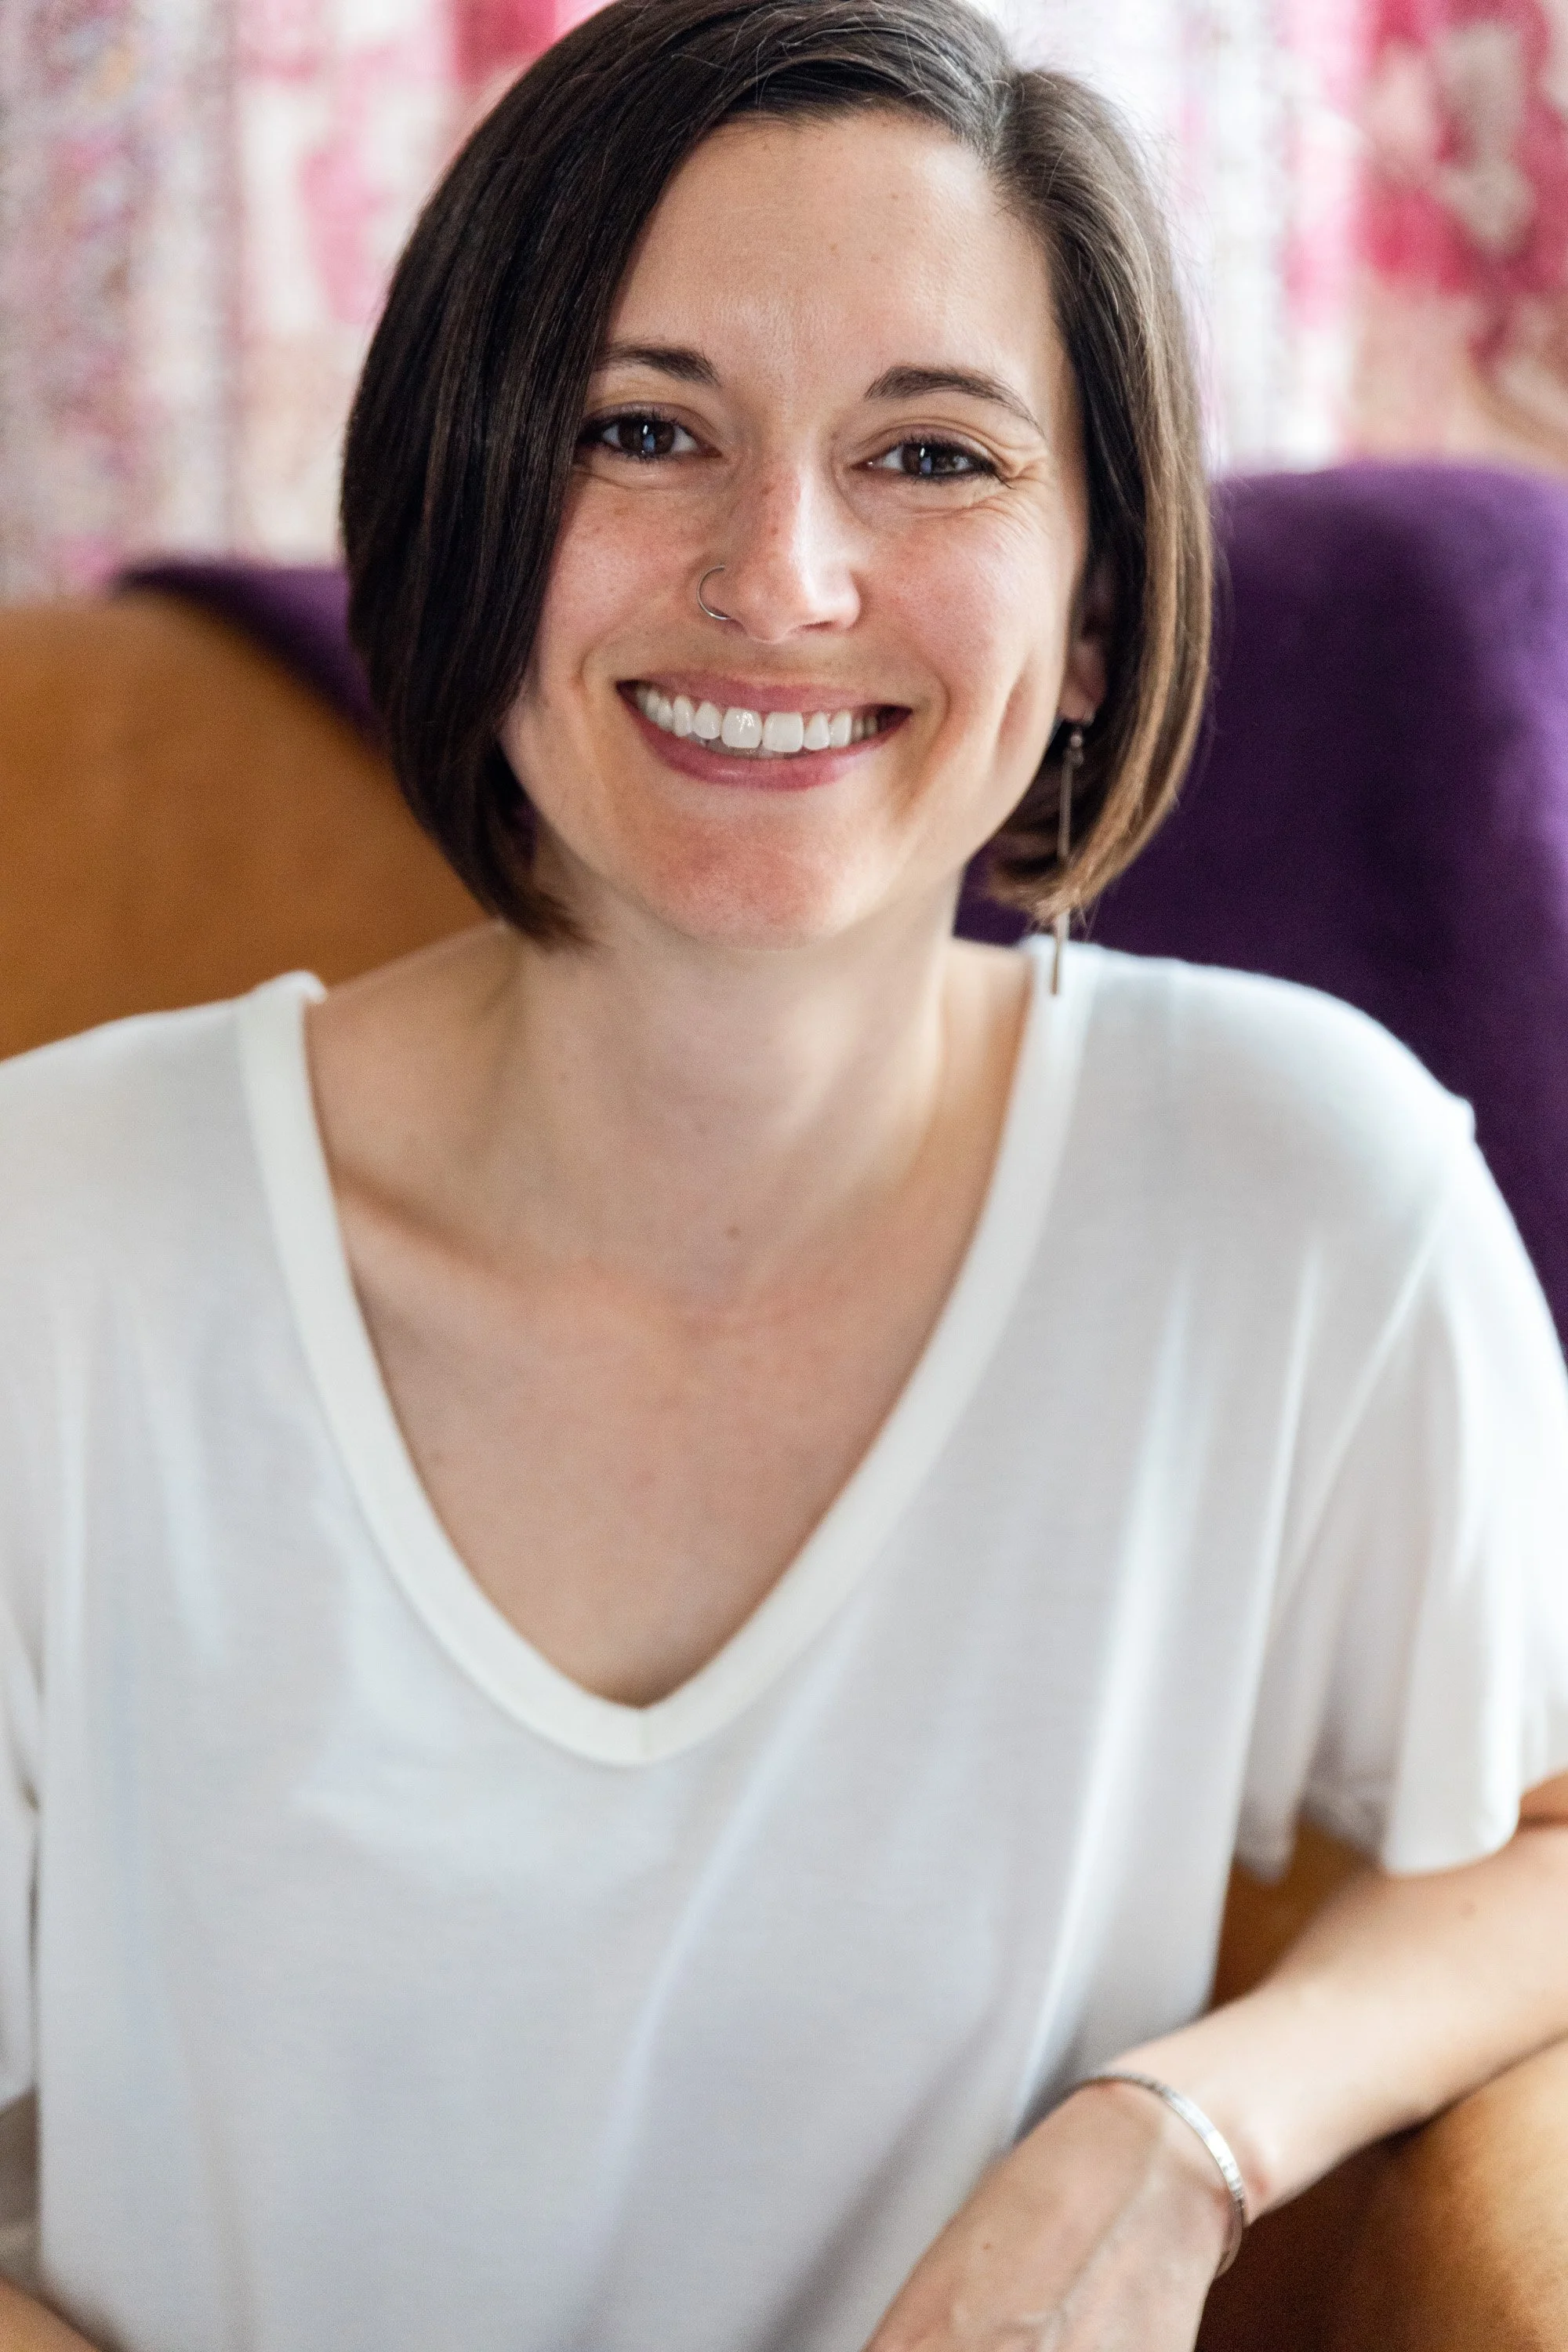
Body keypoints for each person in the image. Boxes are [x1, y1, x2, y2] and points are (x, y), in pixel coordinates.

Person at [2, 1, 1566, 2346]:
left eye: (931, 457)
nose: (783, 576)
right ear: (459, 505)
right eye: (648, 432)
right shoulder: (61, 1238)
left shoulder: (1299, 1195)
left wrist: (1185, 2134)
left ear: (1096, 602)